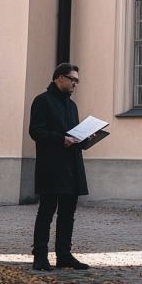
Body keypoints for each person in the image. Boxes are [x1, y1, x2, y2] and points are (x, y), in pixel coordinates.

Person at [29, 63, 93, 271]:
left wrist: (85, 139)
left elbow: (73, 135)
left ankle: (64, 255)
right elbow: (36, 131)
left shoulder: (71, 106)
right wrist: (61, 139)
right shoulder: (42, 101)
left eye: (77, 80)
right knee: (46, 213)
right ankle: (40, 257)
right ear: (59, 78)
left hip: (72, 166)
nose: (75, 83)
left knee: (68, 214)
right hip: (52, 165)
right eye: (72, 79)